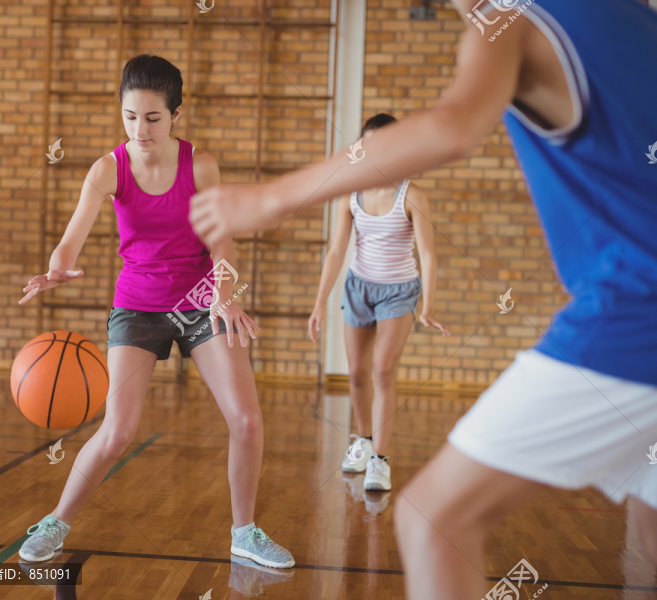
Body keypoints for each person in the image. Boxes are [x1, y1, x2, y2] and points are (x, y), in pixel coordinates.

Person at [189, 0, 657, 596]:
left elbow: (450, 128)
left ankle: (376, 450)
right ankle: (366, 445)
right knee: (651, 524)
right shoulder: (634, 14)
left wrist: (273, 196)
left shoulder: (509, 25)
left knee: (433, 519)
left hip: (637, 315)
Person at [17, 54, 294, 569]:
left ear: (175, 116)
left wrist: (225, 293)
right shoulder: (107, 169)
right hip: (137, 305)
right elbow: (71, 239)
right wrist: (56, 269)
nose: (139, 130)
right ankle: (55, 521)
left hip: (199, 300)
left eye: (152, 118)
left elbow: (223, 245)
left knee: (247, 421)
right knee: (118, 431)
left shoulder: (201, 164)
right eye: (129, 117)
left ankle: (245, 532)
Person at [308, 113, 449, 492]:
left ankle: (380, 461)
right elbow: (337, 250)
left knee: (383, 371)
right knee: (356, 374)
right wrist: (320, 301)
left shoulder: (412, 195)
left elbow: (429, 255)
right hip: (358, 288)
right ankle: (364, 440)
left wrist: (428, 305)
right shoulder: (350, 193)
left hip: (399, 290)